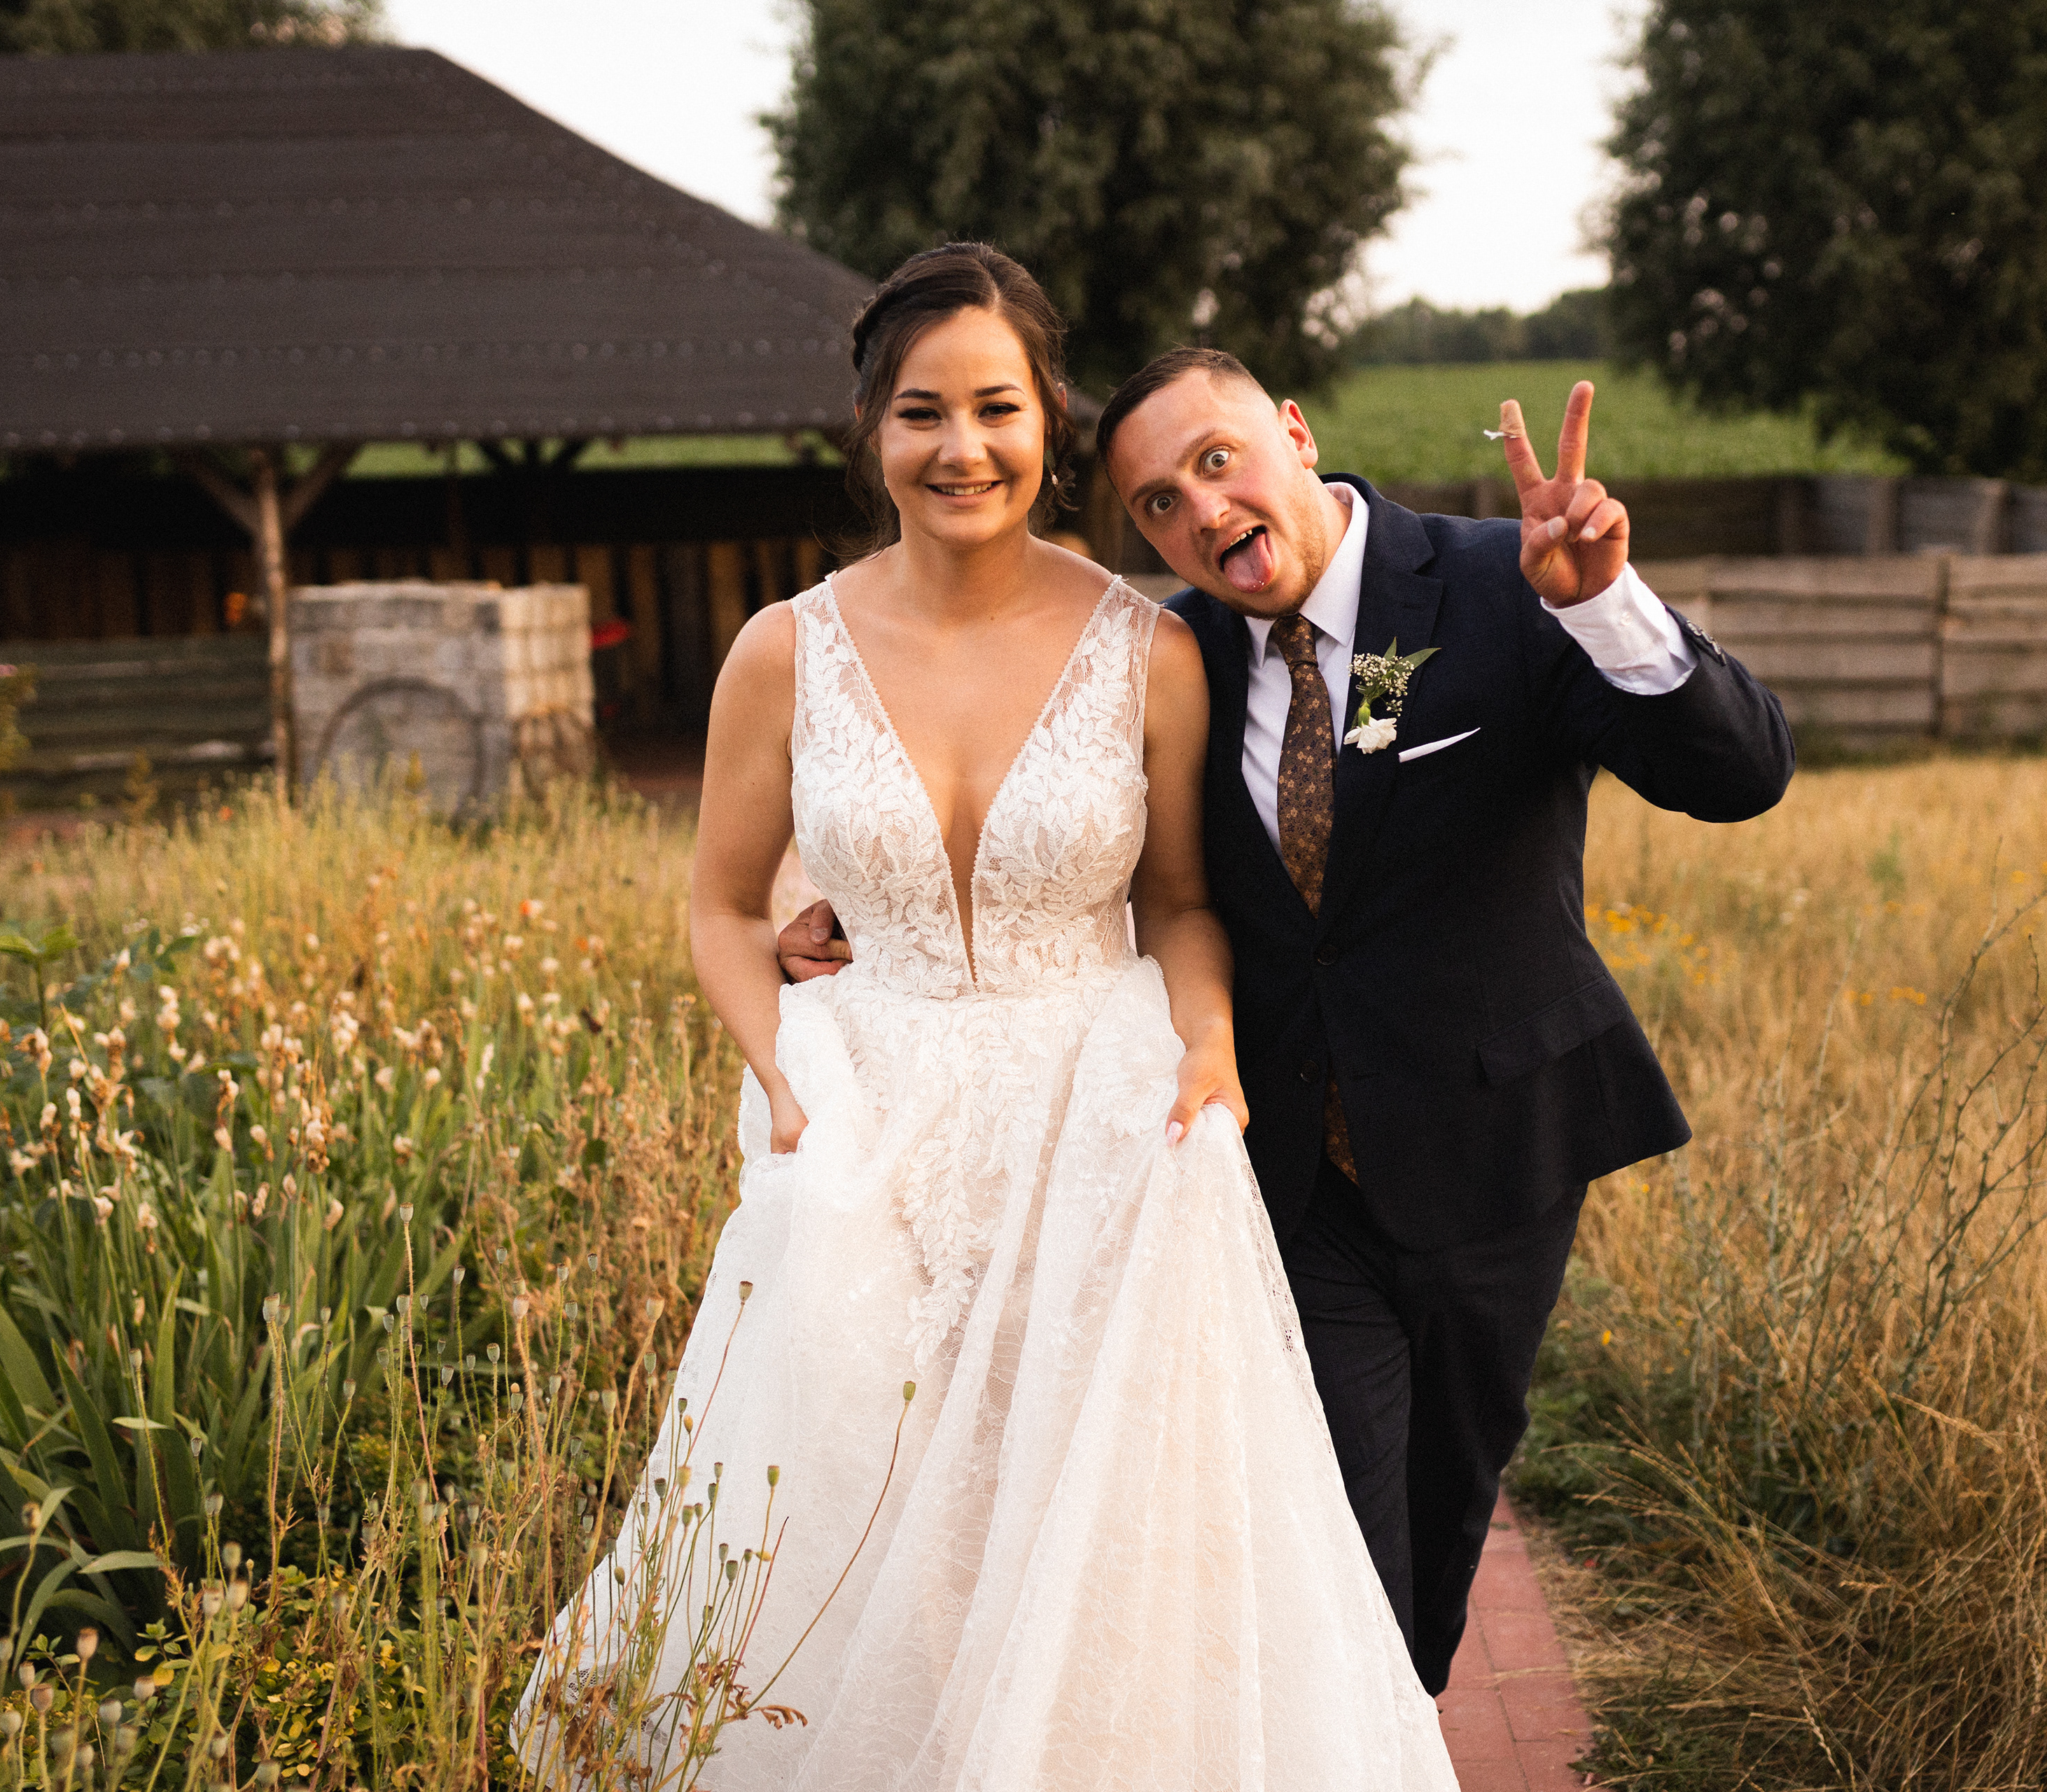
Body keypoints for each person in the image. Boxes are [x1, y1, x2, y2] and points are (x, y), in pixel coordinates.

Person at [517, 246, 1455, 1791]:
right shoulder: (783, 652)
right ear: (873, 431)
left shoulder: (1150, 649)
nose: (963, 447)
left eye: (998, 408)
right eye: (922, 413)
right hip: (865, 1127)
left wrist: (1208, 1051)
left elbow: (1179, 901)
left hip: (1098, 1120)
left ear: (1050, 421)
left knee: (1083, 1516)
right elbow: (723, 908)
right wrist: (787, 1086)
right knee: (867, 1500)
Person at [785, 348, 1793, 1695]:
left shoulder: (1508, 582)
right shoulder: (1170, 657)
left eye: (1218, 462)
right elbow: (1067, 841)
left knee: (1445, 1506)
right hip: (1290, 1180)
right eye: (1157, 503)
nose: (1201, 512)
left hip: (1494, 1156)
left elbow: (1741, 774)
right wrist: (880, 908)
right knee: (1334, 1544)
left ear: (1297, 435)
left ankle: (1397, 1724)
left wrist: (1604, 606)